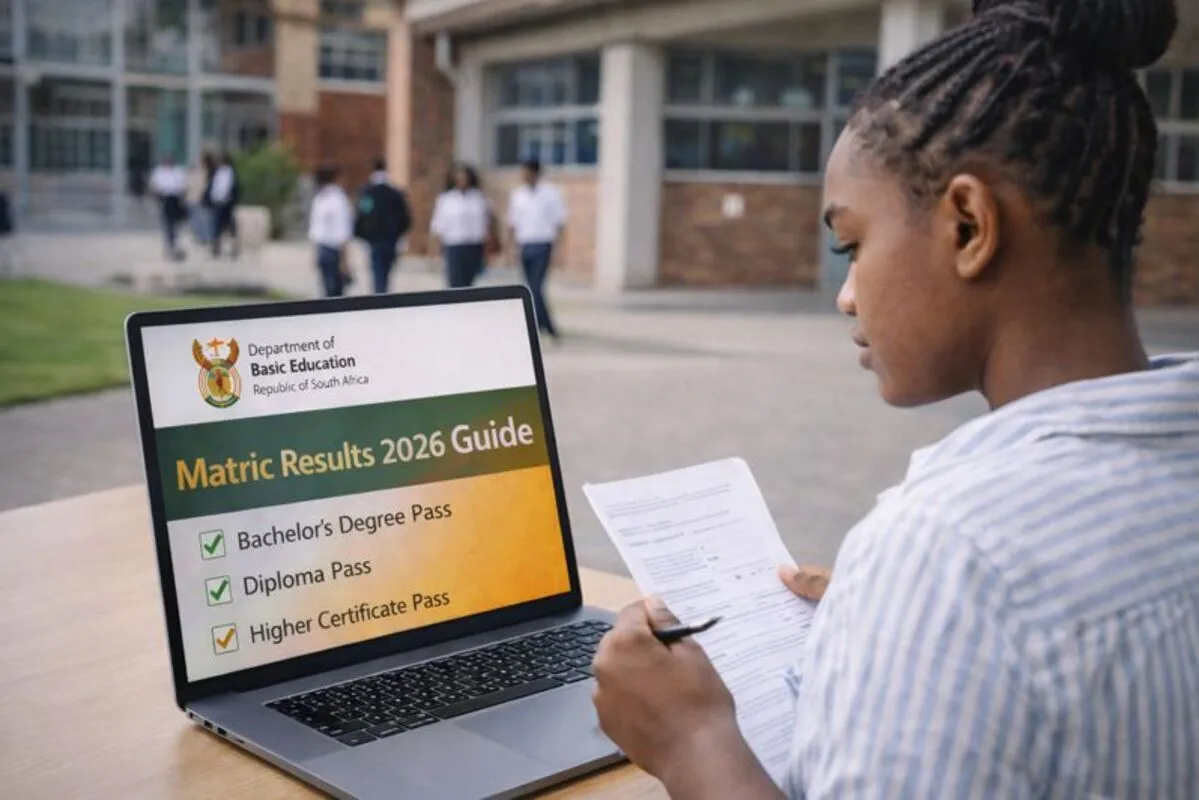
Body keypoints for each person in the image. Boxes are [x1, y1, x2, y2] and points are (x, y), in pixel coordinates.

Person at [590, 0, 1199, 797]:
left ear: (968, 225)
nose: (846, 296)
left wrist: (691, 740)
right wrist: (909, 637)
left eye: (851, 244)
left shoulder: (949, 553)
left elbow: (990, 585)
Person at [507, 158, 566, 340]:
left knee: (536, 287)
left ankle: (544, 325)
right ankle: (543, 324)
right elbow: (513, 223)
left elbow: (559, 223)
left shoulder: (551, 193)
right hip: (525, 244)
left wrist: (560, 249)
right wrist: (511, 248)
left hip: (543, 244)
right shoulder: (518, 195)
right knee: (530, 287)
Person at [354, 157, 412, 294]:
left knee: (377, 272)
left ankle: (380, 296)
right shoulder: (396, 193)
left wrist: (361, 233)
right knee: (386, 272)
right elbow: (405, 218)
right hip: (391, 239)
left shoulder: (367, 192)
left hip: (374, 239)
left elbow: (363, 213)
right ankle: (383, 293)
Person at [430, 163, 491, 289]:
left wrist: (487, 250)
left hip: (473, 245)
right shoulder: (446, 199)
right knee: (455, 282)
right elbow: (438, 226)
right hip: (454, 246)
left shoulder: (479, 198)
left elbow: (485, 225)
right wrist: (435, 250)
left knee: (469, 282)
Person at [308, 165, 355, 298]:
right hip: (335, 250)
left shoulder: (319, 198)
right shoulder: (339, 199)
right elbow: (342, 231)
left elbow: (315, 228)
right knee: (336, 292)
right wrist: (345, 261)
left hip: (322, 248)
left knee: (326, 289)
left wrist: (313, 254)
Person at [148, 153, 188, 261]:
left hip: (175, 198)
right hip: (164, 198)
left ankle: (173, 242)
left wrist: (182, 200)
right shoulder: (159, 171)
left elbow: (182, 187)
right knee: (167, 222)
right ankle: (169, 244)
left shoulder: (178, 171)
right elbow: (154, 186)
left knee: (175, 223)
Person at [206, 151, 240, 259]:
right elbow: (213, 186)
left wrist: (231, 199)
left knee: (230, 227)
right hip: (217, 202)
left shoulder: (231, 172)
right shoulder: (216, 172)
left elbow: (232, 187)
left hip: (227, 203)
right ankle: (216, 246)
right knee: (216, 226)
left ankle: (233, 248)